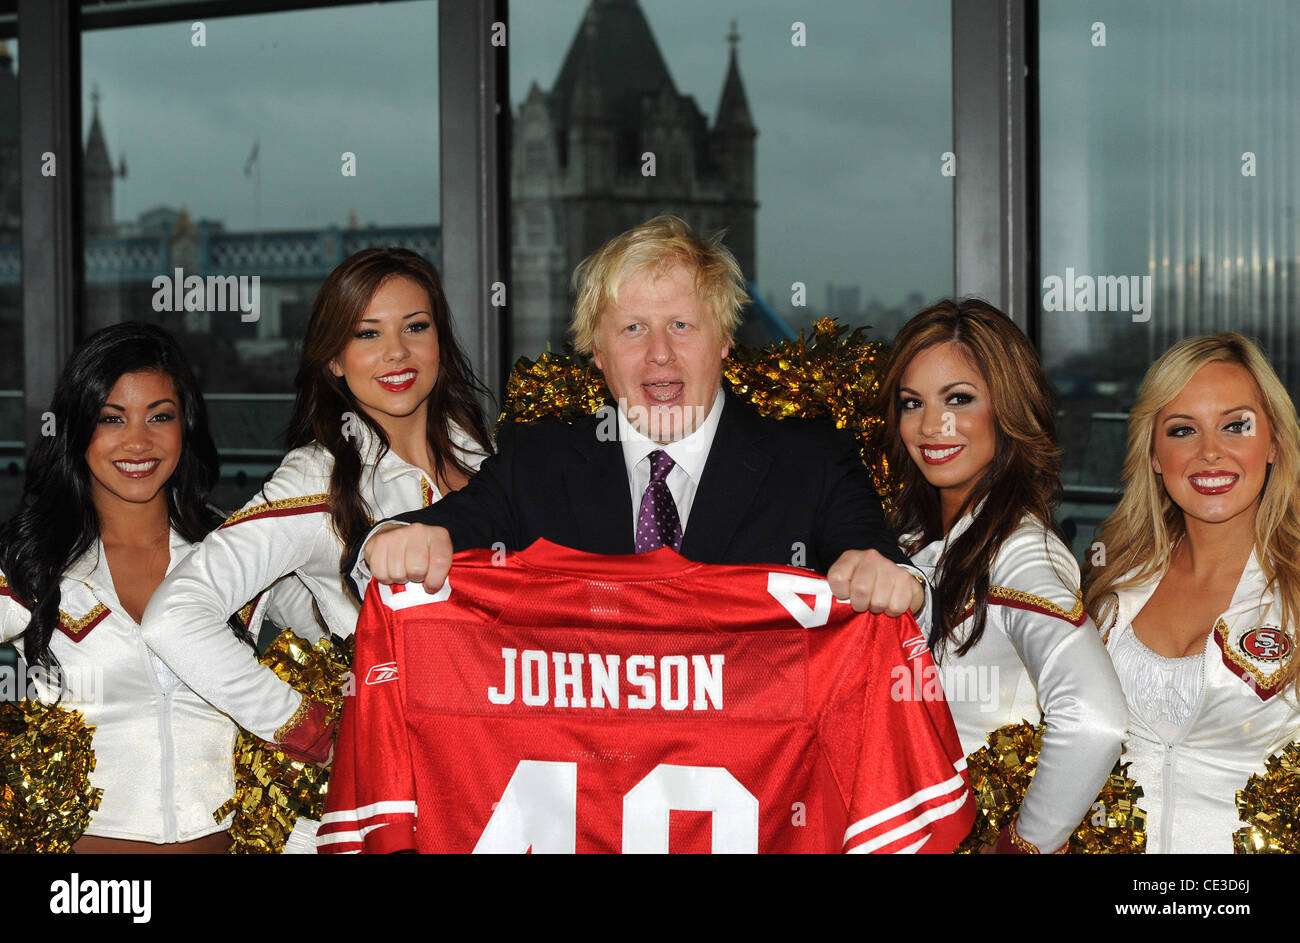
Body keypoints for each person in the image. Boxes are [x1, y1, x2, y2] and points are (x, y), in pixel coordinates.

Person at [351, 215, 923, 616]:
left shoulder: (813, 461)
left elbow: (885, 567)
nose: (659, 353)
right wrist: (397, 537)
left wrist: (886, 578)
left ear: (724, 338)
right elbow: (444, 529)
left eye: (681, 325)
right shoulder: (539, 461)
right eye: (632, 329)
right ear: (596, 353)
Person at [140, 247, 492, 765]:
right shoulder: (317, 477)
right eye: (367, 334)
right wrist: (313, 732)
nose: (397, 352)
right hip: (390, 797)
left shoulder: (485, 456)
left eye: (415, 327)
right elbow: (175, 617)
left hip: (486, 773)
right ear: (333, 359)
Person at [879, 299, 1126, 853]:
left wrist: (1020, 845)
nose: (930, 425)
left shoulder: (1019, 553)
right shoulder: (912, 539)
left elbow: (1094, 720)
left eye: (959, 399)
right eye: (911, 403)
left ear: (1009, 408)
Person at [0, 322, 258, 852]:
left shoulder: (239, 554)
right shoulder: (31, 564)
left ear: (185, 426)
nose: (138, 441)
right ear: (76, 430)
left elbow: (352, 623)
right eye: (111, 418)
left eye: (159, 416)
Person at [1084, 332, 1300, 854]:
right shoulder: (1110, 586)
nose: (1209, 452)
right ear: (1155, 455)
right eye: (1183, 430)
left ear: (1272, 442)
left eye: (1235, 426)